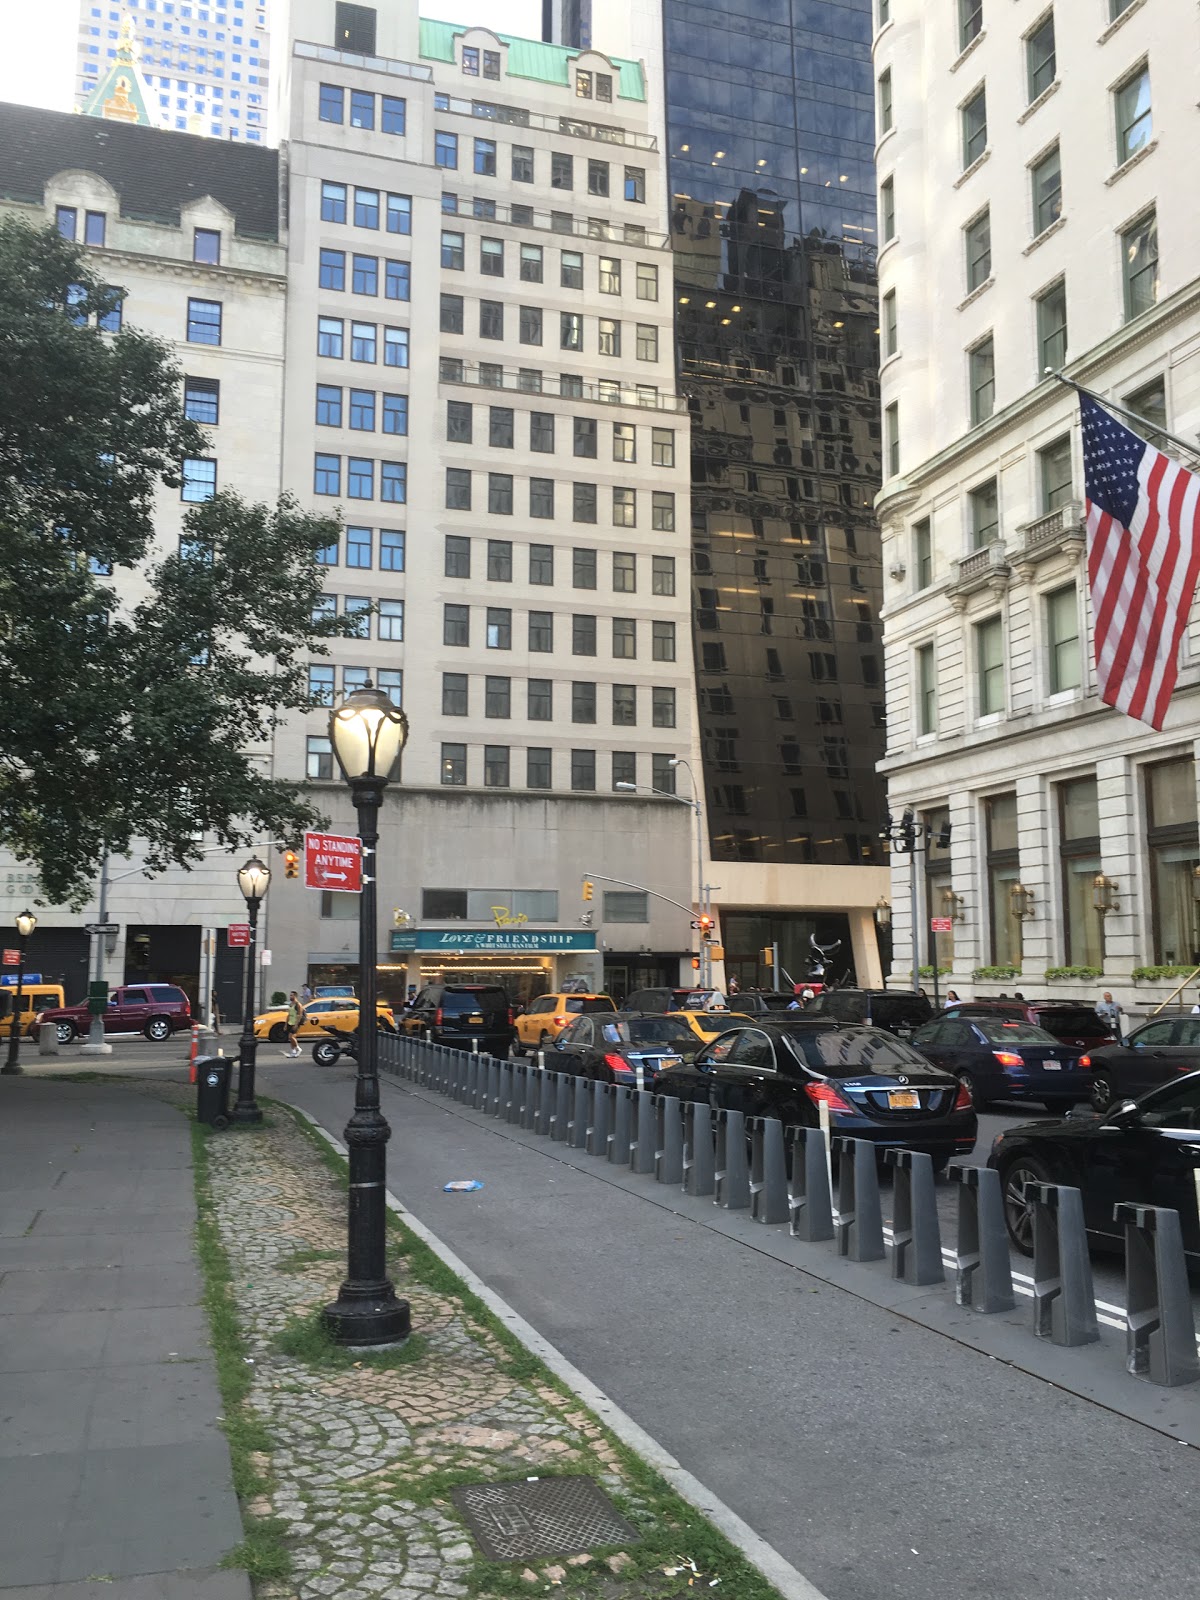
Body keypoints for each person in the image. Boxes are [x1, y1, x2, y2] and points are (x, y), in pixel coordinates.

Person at [284, 990, 303, 1057]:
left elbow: (299, 1015)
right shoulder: (291, 1004)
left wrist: (296, 1024)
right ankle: (293, 1052)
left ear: (295, 996)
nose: (290, 996)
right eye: (290, 995)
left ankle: (298, 1048)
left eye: (291, 995)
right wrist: (286, 1024)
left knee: (291, 1036)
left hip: (295, 1023)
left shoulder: (298, 1005)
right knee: (290, 1038)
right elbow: (289, 1014)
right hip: (290, 1022)